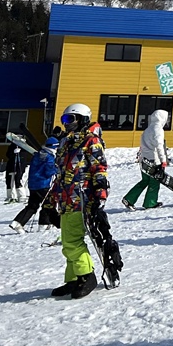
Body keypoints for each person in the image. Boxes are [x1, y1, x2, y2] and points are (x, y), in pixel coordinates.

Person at [44, 104, 109, 299]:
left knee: (73, 241)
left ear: (82, 120)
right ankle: (73, 279)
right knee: (68, 242)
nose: (66, 125)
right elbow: (60, 175)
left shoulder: (91, 141)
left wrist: (100, 196)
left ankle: (86, 276)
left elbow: (99, 169)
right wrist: (49, 203)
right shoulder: (65, 143)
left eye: (70, 120)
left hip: (81, 199)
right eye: (64, 120)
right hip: (65, 199)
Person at [10, 136, 60, 232]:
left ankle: (18, 222)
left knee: (32, 205)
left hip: (33, 184)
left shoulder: (38, 155)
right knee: (48, 204)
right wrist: (57, 169)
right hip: (43, 184)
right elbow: (48, 172)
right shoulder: (49, 157)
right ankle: (47, 224)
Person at [122, 109, 167, 210]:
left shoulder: (147, 129)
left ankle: (129, 199)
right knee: (155, 182)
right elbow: (159, 146)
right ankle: (150, 203)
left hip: (144, 160)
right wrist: (163, 160)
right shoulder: (158, 129)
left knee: (145, 180)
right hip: (154, 160)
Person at [5, 124, 35, 203]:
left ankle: (22, 195)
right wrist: (13, 153)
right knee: (9, 181)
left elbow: (27, 152)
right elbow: (8, 155)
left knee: (18, 180)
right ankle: (10, 196)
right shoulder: (12, 146)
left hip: (20, 165)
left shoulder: (24, 146)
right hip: (11, 165)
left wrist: (20, 152)